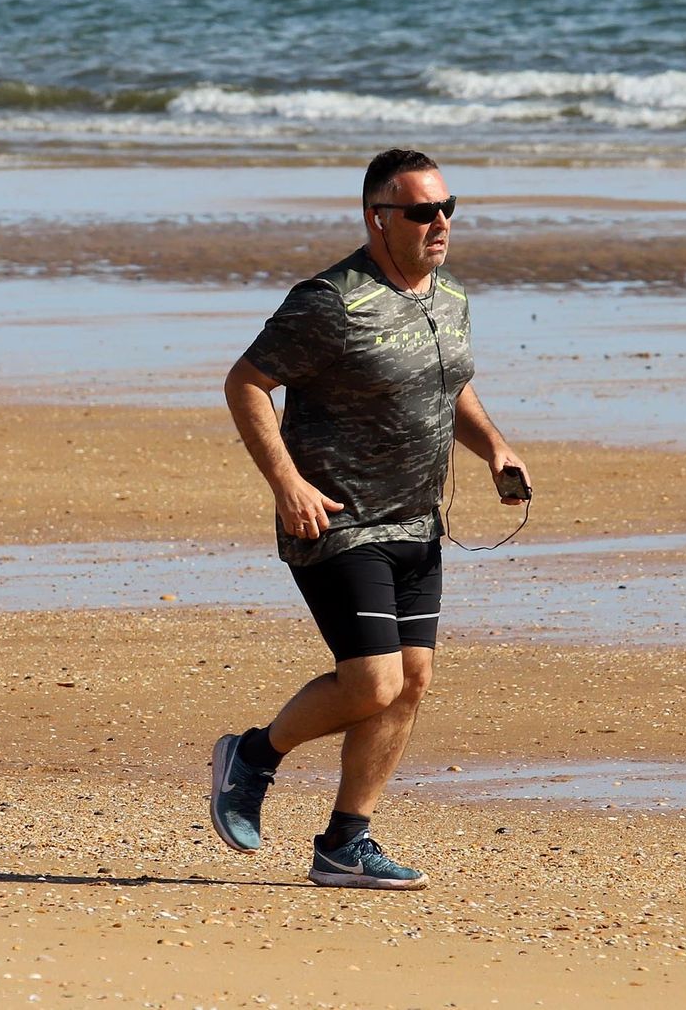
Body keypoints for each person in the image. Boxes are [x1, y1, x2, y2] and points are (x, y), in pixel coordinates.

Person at [212, 149, 530, 891]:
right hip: (338, 521)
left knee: (411, 681)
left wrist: (494, 448)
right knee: (373, 682)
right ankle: (252, 756)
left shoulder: (449, 297)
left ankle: (345, 842)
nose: (439, 222)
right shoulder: (330, 301)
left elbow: (449, 385)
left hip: (417, 522)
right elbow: (246, 382)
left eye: (448, 207)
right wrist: (287, 483)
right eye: (421, 211)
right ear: (377, 218)